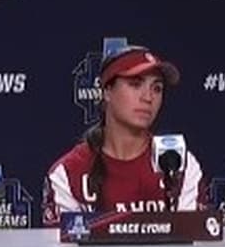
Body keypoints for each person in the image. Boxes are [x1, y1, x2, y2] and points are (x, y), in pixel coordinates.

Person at [42, 45, 209, 226]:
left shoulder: (182, 165)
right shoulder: (68, 173)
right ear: (107, 91)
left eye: (157, 88)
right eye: (135, 84)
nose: (148, 97)